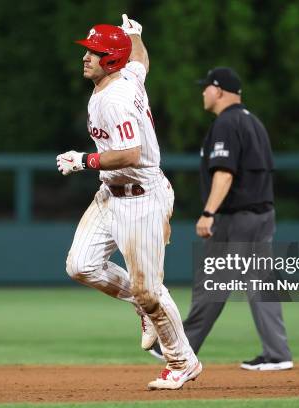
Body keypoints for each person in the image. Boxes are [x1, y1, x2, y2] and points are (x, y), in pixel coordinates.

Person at [56, 15, 202, 390]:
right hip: (111, 194)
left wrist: (83, 160)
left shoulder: (114, 99)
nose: (86, 57)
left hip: (142, 200)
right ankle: (140, 305)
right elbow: (141, 63)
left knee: (150, 290)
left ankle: (182, 362)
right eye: (88, 50)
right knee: (81, 265)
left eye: (95, 52)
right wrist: (136, 35)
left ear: (110, 60)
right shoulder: (126, 76)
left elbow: (130, 153)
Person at [149, 67, 293, 371]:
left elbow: (225, 174)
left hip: (235, 218)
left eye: (207, 87)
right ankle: (278, 353)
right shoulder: (253, 122)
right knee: (258, 283)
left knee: (212, 283)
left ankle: (179, 347)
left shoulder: (226, 124)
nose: (203, 92)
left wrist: (208, 212)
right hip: (263, 214)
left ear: (219, 90)